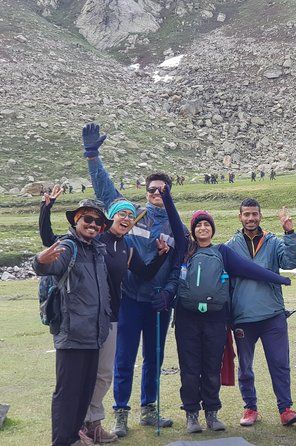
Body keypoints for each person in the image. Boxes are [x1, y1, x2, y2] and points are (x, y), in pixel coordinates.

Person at [39, 183, 172, 444]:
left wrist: (159, 255)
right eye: (121, 214)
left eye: (130, 216)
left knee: (101, 374)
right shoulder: (96, 241)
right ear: (111, 217)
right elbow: (50, 241)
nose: (126, 219)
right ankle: (75, 428)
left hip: (110, 317)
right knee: (78, 378)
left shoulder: (126, 248)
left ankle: (92, 423)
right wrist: (46, 208)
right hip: (82, 317)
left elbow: (144, 273)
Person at [162, 190, 293, 433]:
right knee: (190, 368)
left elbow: (248, 269)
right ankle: (192, 415)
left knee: (212, 367)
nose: (203, 228)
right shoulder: (184, 248)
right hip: (187, 318)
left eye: (206, 225)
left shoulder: (222, 252)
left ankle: (212, 414)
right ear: (192, 230)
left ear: (212, 229)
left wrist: (279, 279)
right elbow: (172, 218)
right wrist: (166, 196)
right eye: (198, 225)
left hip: (215, 319)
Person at [84, 123, 183, 436]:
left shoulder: (176, 224)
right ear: (145, 192)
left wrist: (168, 293)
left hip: (159, 303)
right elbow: (105, 191)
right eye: (152, 189)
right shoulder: (131, 215)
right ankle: (121, 412)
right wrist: (92, 155)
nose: (156, 194)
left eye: (161, 190)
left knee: (154, 358)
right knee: (123, 359)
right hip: (128, 299)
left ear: (168, 193)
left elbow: (178, 262)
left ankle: (149, 409)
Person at [33, 200, 113, 446]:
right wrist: (40, 261)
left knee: (85, 390)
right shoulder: (69, 246)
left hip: (94, 332)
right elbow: (49, 266)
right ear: (76, 220)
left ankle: (75, 436)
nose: (93, 224)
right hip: (73, 332)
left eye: (98, 222)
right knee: (67, 393)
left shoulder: (97, 250)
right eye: (88, 219)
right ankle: (62, 441)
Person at [225, 199, 296, 426]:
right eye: (246, 214)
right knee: (246, 367)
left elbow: (289, 262)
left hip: (273, 315)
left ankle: (285, 409)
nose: (251, 218)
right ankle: (250, 408)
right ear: (240, 216)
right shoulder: (230, 246)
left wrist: (290, 234)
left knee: (280, 363)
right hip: (243, 317)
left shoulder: (272, 242)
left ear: (260, 216)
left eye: (254, 214)